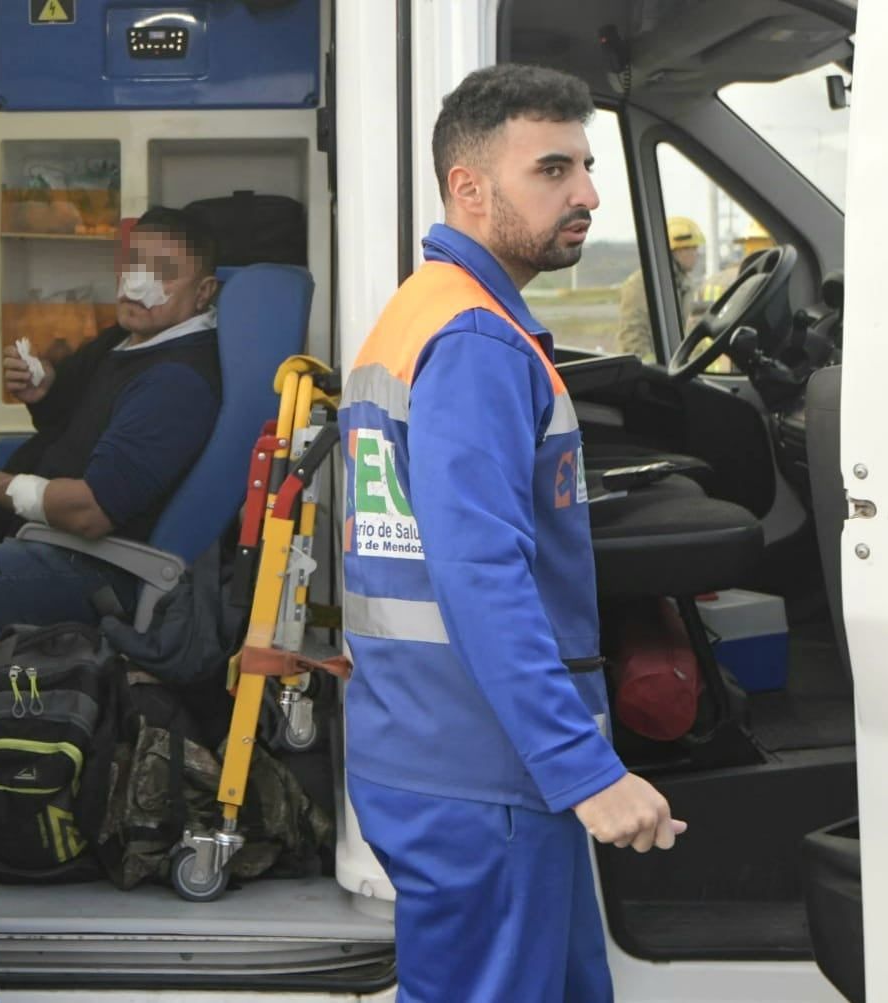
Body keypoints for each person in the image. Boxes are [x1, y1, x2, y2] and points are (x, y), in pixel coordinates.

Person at [339, 65, 687, 1002]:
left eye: (585, 165)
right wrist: (584, 768)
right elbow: (479, 570)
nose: (587, 192)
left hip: (447, 751)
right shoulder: (477, 342)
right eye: (553, 169)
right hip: (482, 768)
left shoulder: (430, 311)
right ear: (470, 188)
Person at [0, 206, 222, 705]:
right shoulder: (128, 340)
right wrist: (43, 387)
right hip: (46, 539)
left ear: (203, 293)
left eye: (165, 272)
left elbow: (91, 511)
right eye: (134, 262)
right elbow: (72, 415)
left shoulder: (176, 381)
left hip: (98, 565)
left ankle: (67, 709)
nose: (140, 282)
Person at [616, 215, 705, 360]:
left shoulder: (685, 284)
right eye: (691, 248)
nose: (696, 254)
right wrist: (654, 372)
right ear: (675, 251)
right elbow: (632, 339)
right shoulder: (640, 285)